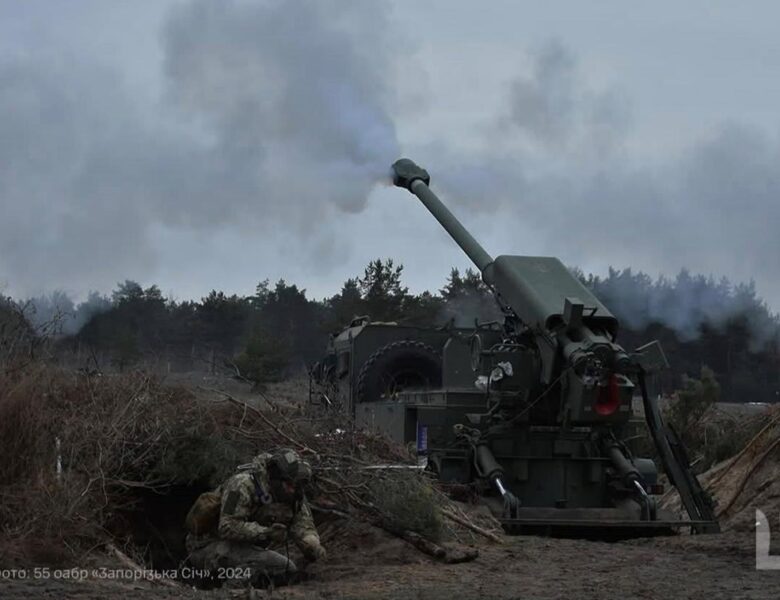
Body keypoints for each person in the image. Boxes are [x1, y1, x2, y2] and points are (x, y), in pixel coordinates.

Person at [185, 448, 326, 587]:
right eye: (289, 485)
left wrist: (312, 545)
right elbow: (227, 526)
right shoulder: (240, 484)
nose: (293, 490)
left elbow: (303, 524)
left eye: (297, 485)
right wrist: (266, 533)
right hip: (207, 547)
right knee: (281, 566)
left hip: (242, 548)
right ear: (275, 478)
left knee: (286, 570)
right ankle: (226, 589)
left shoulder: (293, 493)